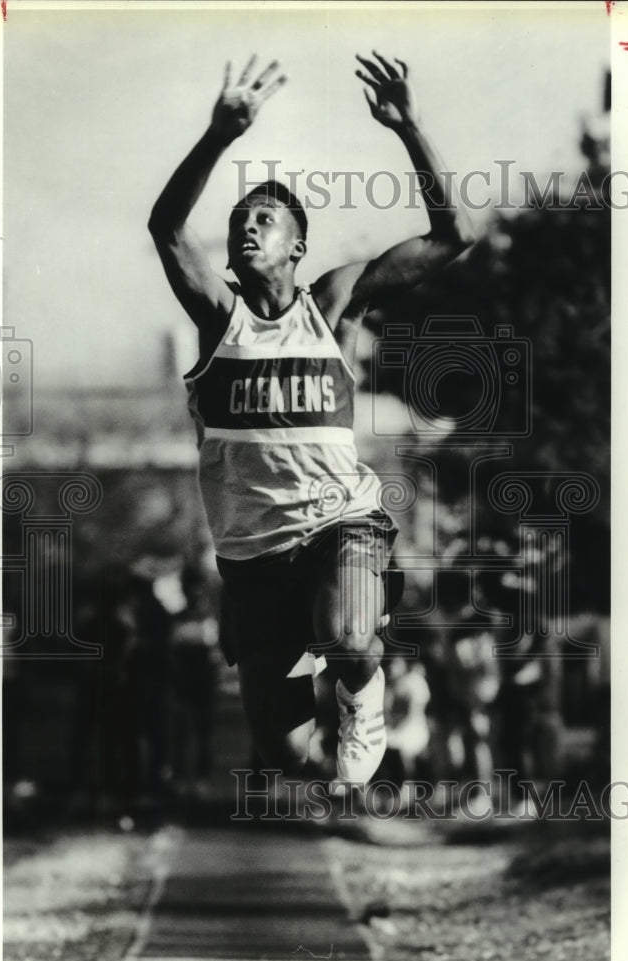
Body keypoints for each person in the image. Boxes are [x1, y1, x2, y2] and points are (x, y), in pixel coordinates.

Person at [148, 53, 473, 784]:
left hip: (339, 523)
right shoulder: (216, 318)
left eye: (264, 218)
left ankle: (364, 686)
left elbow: (452, 236)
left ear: (297, 245)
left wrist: (409, 126)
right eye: (238, 219)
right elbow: (167, 229)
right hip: (252, 554)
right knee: (290, 759)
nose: (246, 227)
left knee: (349, 637)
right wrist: (216, 135)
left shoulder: (333, 305)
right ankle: (326, 714)